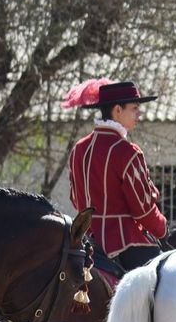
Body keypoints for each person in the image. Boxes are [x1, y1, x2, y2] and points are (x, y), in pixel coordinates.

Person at [64, 79, 167, 272]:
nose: (139, 113)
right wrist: (162, 228)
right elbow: (142, 209)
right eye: (135, 108)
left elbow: (75, 197)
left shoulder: (79, 149)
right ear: (117, 110)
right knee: (163, 284)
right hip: (124, 243)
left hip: (84, 239)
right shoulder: (128, 152)